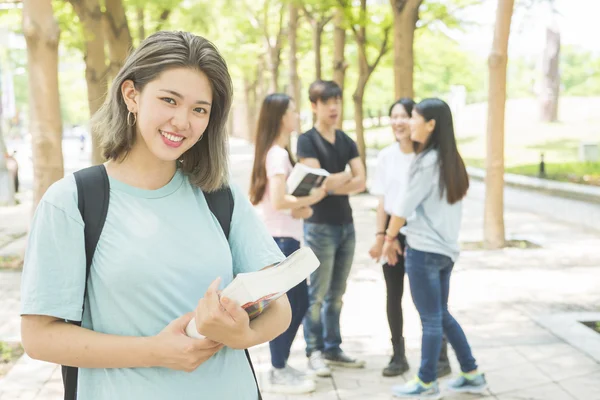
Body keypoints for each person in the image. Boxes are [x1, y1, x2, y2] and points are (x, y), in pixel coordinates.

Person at [20, 31, 291, 400]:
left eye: (200, 109)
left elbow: (279, 308)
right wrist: (158, 351)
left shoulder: (219, 197)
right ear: (131, 95)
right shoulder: (73, 201)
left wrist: (242, 335)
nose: (182, 121)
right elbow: (39, 337)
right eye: (169, 100)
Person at [382, 98, 487, 398]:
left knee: (430, 318)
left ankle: (426, 382)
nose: (410, 123)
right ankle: (472, 372)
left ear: (431, 125)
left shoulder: (425, 162)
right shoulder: (450, 159)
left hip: (424, 250)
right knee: (440, 313)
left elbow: (401, 208)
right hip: (445, 251)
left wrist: (388, 239)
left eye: (414, 118)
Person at [249, 93, 327, 394]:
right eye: (293, 110)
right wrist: (313, 198)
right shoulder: (278, 155)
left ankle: (280, 365)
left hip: (285, 238)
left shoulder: (276, 152)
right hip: (280, 242)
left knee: (298, 303)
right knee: (290, 306)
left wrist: (302, 208)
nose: (297, 115)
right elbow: (280, 200)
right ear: (282, 116)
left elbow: (279, 201)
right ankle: (277, 369)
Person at [369, 98, 452, 378]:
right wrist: (382, 237)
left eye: (405, 116)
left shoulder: (427, 157)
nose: (398, 122)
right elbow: (383, 202)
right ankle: (398, 356)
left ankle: (440, 357)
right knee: (394, 295)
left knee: (432, 301)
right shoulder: (385, 156)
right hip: (394, 234)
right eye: (393, 116)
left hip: (421, 236)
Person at [296, 80, 367, 377]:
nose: (334, 107)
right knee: (318, 295)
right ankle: (314, 351)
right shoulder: (307, 141)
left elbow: (361, 181)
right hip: (319, 228)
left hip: (346, 226)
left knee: (338, 293)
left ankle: (333, 347)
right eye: (327, 102)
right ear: (314, 106)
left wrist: (329, 183)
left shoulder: (347, 140)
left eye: (337, 101)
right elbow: (315, 183)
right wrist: (339, 179)